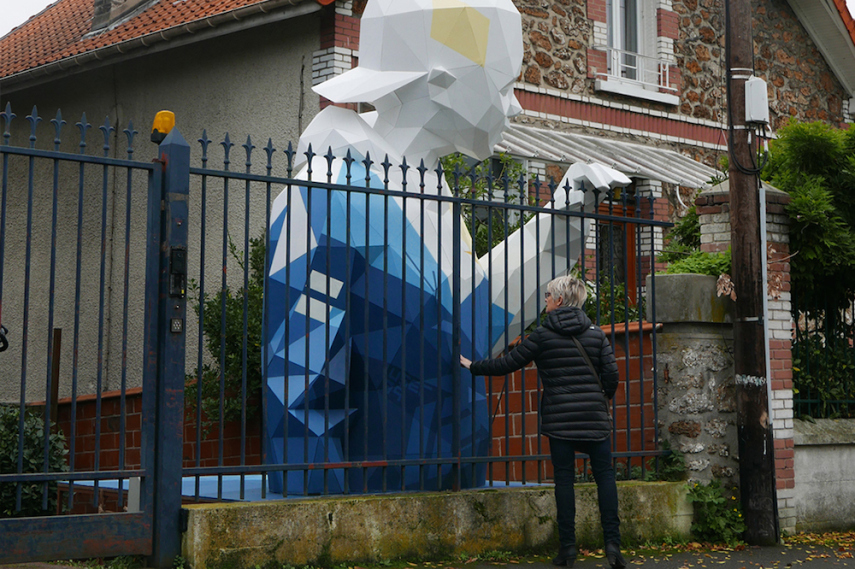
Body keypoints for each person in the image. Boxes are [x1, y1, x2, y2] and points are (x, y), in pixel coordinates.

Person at [460, 275, 627, 569]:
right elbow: (612, 376)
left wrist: (474, 366)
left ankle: (568, 550)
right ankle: (612, 545)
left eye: (548, 296)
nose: (545, 301)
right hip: (595, 419)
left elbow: (507, 364)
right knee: (605, 477)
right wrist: (600, 400)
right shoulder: (596, 334)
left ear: (559, 300)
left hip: (560, 421)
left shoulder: (543, 335)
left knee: (564, 479)